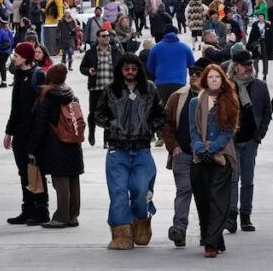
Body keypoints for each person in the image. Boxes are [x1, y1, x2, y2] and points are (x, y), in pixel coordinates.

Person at [94, 54, 166, 250]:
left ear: (139, 70)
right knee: (118, 192)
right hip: (117, 150)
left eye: (134, 68)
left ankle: (142, 223)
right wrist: (112, 124)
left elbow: (161, 114)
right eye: (126, 68)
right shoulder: (110, 90)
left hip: (142, 149)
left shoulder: (149, 88)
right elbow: (97, 114)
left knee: (141, 191)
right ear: (120, 70)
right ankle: (121, 234)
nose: (130, 72)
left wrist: (149, 127)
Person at [189, 63, 240, 258]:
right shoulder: (195, 102)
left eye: (217, 77)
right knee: (203, 200)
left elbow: (229, 130)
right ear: (205, 80)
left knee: (218, 200)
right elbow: (193, 129)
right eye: (210, 77)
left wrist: (213, 147)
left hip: (222, 155)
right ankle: (213, 237)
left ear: (222, 79)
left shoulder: (230, 100)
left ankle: (211, 244)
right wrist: (199, 147)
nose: (214, 80)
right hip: (200, 156)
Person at [163, 58, 211, 248]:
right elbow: (165, 122)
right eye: (191, 73)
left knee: (205, 195)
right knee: (184, 190)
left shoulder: (216, 97)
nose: (193, 76)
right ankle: (179, 229)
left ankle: (207, 233)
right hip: (182, 153)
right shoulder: (178, 96)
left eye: (198, 73)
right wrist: (173, 146)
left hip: (207, 156)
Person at [28, 63, 84, 229]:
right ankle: (73, 216)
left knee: (60, 181)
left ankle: (60, 217)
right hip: (73, 142)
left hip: (55, 145)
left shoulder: (46, 97)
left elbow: (39, 126)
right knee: (73, 180)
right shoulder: (71, 95)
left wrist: (32, 148)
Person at [4, 42, 50, 226]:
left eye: (16, 55)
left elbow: (42, 108)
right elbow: (15, 108)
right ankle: (28, 209)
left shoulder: (38, 75)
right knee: (24, 172)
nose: (14, 58)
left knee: (36, 172)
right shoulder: (19, 75)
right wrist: (9, 131)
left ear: (25, 58)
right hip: (20, 134)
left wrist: (37, 135)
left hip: (35, 134)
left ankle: (42, 210)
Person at [226, 49, 271, 233]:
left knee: (248, 180)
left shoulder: (260, 86)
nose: (249, 68)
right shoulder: (227, 86)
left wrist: (260, 133)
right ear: (235, 67)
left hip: (250, 140)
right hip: (231, 141)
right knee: (232, 178)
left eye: (251, 64)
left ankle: (246, 216)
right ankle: (231, 215)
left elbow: (267, 111)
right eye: (245, 65)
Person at [78, 27, 123, 148]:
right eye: (103, 36)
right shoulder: (90, 53)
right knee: (93, 113)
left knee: (110, 113)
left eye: (108, 36)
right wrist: (89, 70)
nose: (107, 38)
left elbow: (122, 68)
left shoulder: (116, 52)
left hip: (111, 89)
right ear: (98, 38)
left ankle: (106, 140)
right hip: (96, 87)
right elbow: (82, 68)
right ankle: (91, 132)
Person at [146, 25, 195, 105]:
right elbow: (192, 65)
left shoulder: (156, 48)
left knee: (162, 108)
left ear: (164, 34)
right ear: (176, 33)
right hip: (180, 83)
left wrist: (158, 74)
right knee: (177, 108)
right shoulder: (185, 47)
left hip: (161, 83)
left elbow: (149, 66)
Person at [247, 12, 272, 78]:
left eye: (262, 17)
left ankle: (265, 74)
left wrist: (272, 46)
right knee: (255, 60)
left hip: (265, 43)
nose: (260, 18)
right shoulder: (255, 25)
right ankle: (256, 73)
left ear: (264, 18)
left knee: (265, 60)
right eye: (259, 17)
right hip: (256, 43)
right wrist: (249, 45)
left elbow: (271, 36)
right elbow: (251, 35)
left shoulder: (268, 25)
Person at [0, 20, 14, 88]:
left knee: (1, 66)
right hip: (7, 51)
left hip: (0, 51)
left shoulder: (0, 31)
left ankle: (3, 82)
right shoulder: (9, 31)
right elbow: (12, 41)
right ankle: (3, 81)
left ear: (0, 23)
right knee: (3, 66)